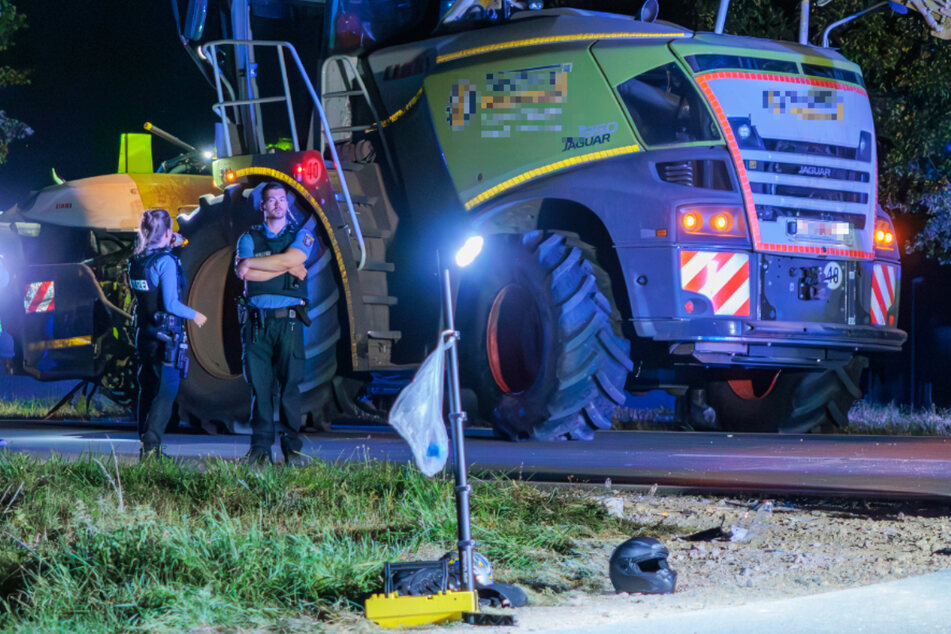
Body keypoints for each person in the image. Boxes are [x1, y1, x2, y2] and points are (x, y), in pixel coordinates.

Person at [234, 182, 315, 466]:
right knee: (261, 388)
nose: (278, 204)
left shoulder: (301, 235)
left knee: (290, 388)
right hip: (257, 325)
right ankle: (260, 450)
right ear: (263, 206)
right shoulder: (248, 238)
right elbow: (244, 271)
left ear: (287, 204)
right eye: (272, 200)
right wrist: (285, 266)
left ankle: (293, 450)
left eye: (282, 200)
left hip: (289, 325)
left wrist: (263, 263)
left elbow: (297, 258)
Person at [128, 208, 207, 458]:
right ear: (167, 232)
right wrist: (195, 314)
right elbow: (171, 304)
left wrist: (170, 240)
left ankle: (145, 442)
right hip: (166, 335)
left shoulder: (137, 260)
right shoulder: (166, 262)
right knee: (167, 389)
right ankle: (152, 445)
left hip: (144, 332)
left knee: (147, 387)